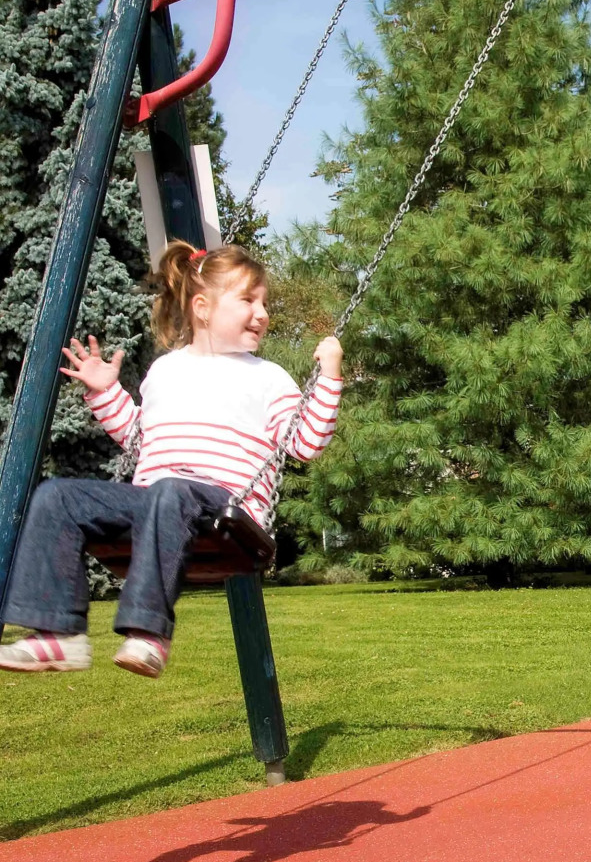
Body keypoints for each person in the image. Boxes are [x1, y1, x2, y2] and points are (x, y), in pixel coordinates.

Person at [0, 241, 344, 679]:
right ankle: (56, 634)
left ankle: (148, 632)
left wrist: (330, 374)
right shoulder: (166, 369)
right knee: (57, 496)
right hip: (154, 503)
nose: (261, 313)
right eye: (247, 300)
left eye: (264, 303)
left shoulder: (268, 378)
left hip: (223, 512)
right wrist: (105, 392)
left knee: (171, 491)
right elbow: (141, 440)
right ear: (203, 307)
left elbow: (306, 443)